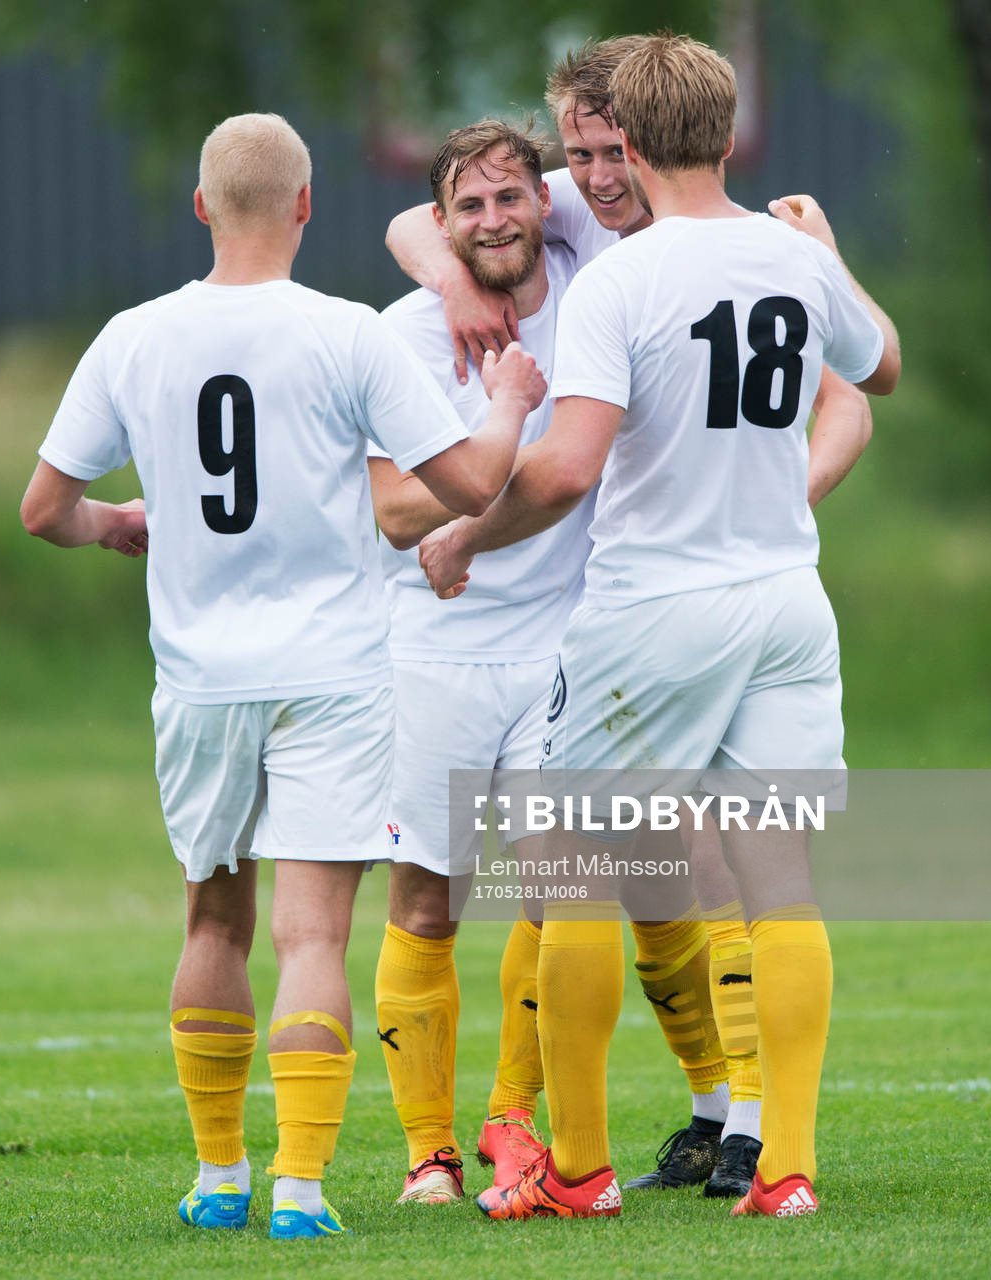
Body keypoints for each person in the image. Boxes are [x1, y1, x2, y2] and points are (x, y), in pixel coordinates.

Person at [20, 113, 543, 1240]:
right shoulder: (346, 335)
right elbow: (462, 485)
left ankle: (218, 1174)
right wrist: (503, 402)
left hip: (199, 678)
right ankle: (301, 1187)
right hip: (332, 674)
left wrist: (113, 520)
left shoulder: (133, 337)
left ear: (201, 207)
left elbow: (42, 509)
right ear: (306, 206)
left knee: (212, 920)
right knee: (313, 939)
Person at [417, 33, 899, 1221]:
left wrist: (467, 537)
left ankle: (575, 1169)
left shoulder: (626, 280)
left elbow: (568, 468)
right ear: (731, 137)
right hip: (788, 601)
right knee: (779, 885)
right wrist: (828, 261)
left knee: (576, 872)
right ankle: (783, 1165)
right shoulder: (791, 254)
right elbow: (881, 366)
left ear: (623, 147)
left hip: (652, 610)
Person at [365, 118, 600, 1209]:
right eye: (468, 206)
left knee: (559, 893)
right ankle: (429, 1152)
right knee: (428, 902)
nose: (494, 219)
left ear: (543, 201)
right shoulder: (405, 334)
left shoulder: (592, 272)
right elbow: (392, 507)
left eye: (511, 197)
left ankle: (513, 1124)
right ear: (444, 222)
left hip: (564, 644)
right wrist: (495, 448)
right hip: (432, 655)